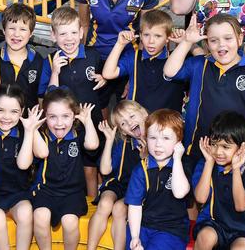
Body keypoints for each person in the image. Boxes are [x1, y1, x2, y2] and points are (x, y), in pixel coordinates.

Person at [163, 14, 245, 163]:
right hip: (197, 152)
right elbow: (169, 71)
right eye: (213, 40)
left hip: (236, 157)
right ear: (207, 44)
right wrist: (186, 42)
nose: (221, 45)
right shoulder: (199, 65)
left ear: (239, 39)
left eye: (228, 38)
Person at [74, 0, 159, 114]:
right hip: (96, 54)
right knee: (99, 111)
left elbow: (148, 32)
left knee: (129, 114)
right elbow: (83, 24)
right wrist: (81, 61)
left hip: (129, 57)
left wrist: (136, 72)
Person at [38, 5, 106, 197]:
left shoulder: (92, 55)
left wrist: (104, 78)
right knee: (72, 167)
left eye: (73, 33)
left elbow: (105, 78)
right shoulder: (50, 61)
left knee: (91, 168)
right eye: (63, 34)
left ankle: (93, 203)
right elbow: (48, 97)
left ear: (81, 32)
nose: (69, 39)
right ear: (53, 36)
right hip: (65, 126)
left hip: (90, 121)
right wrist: (55, 73)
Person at [0, 84, 48, 250]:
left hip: (17, 193)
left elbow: (26, 162)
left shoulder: (23, 132)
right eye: (0, 110)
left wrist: (31, 130)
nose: (6, 117)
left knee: (26, 212)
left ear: (21, 112)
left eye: (14, 112)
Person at [32, 88, 99, 250]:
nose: (59, 123)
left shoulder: (77, 135)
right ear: (44, 117)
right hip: (45, 191)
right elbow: (41, 153)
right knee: (40, 216)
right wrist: (33, 129)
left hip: (72, 193)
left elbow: (92, 145)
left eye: (65, 116)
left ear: (74, 116)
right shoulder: (42, 137)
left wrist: (88, 121)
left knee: (70, 221)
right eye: (52, 117)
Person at [192, 111, 245, 250]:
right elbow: (200, 198)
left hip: (243, 230)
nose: (218, 152)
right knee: (205, 237)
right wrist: (209, 162)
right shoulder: (205, 164)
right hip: (213, 224)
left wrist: (236, 169)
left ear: (242, 147)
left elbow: (240, 206)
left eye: (225, 147)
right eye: (214, 144)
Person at [124, 109, 190, 250]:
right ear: (146, 139)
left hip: (172, 229)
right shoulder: (141, 169)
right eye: (153, 138)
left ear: (178, 142)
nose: (158, 144)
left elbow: (179, 192)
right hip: (143, 225)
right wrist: (135, 236)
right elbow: (134, 206)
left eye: (166, 138)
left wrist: (177, 158)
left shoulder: (183, 166)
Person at [88, 100, 149, 250]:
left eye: (132, 116)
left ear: (144, 114)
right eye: (123, 123)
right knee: (105, 203)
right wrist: (109, 141)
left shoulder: (156, 139)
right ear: (122, 131)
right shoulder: (124, 143)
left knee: (119, 209)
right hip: (119, 183)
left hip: (139, 189)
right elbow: (105, 170)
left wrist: (145, 156)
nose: (129, 123)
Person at [102, 9, 186, 112]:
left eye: (158, 36)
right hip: (138, 123)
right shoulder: (134, 56)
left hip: (168, 124)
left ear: (168, 38)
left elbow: (201, 60)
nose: (151, 41)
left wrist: (186, 43)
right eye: (146, 35)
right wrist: (119, 44)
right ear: (140, 36)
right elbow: (108, 73)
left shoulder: (176, 59)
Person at [0, 3, 44, 109]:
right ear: (3, 30)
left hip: (29, 122)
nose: (16, 34)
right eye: (12, 28)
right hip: (1, 121)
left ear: (31, 33)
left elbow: (41, 98)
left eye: (23, 29)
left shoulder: (39, 61)